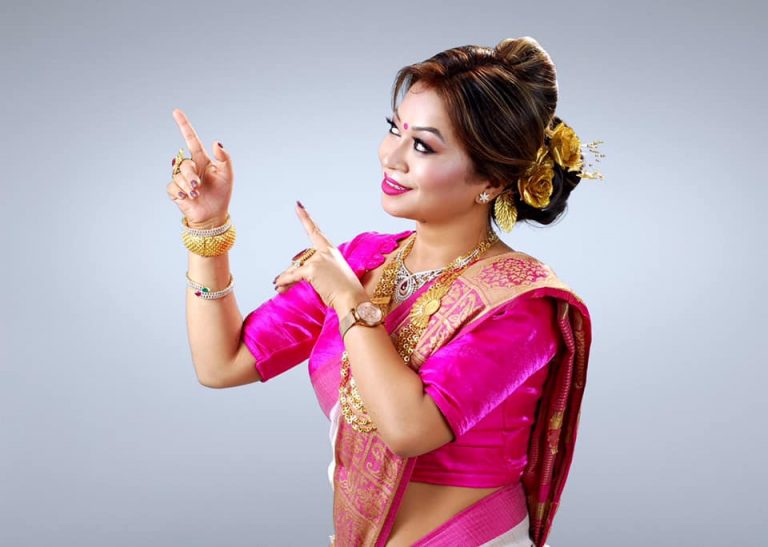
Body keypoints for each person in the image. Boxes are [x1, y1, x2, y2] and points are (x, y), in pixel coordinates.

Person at [167, 36, 602, 546]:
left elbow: (409, 429)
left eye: (423, 146)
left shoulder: (521, 307)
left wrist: (348, 301)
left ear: (493, 180)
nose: (391, 156)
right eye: (395, 129)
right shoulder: (363, 261)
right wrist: (208, 228)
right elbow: (223, 364)